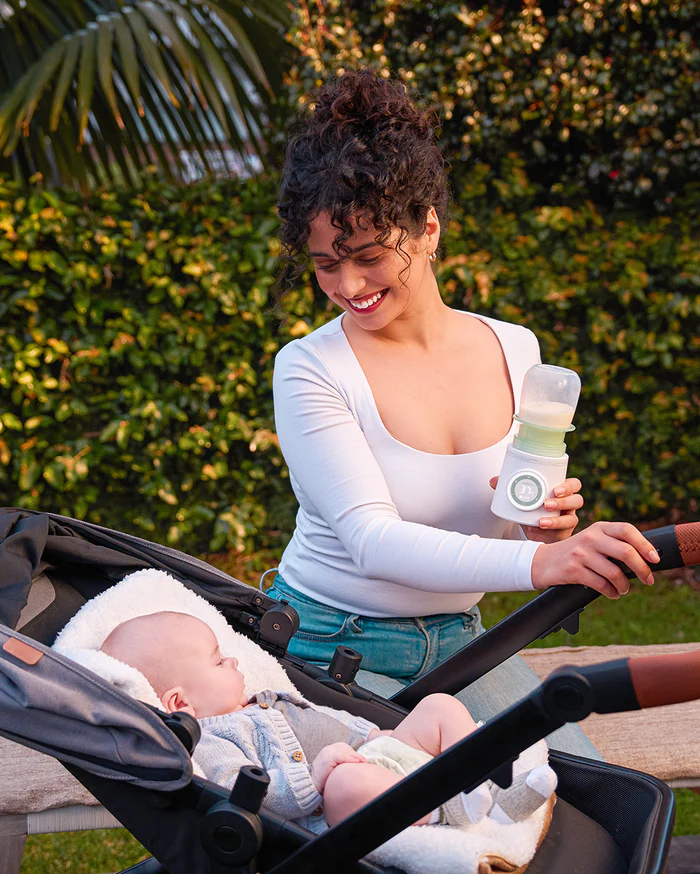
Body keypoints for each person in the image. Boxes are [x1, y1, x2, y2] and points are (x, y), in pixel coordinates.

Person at [268, 69, 660, 758]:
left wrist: (540, 530)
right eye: (326, 264)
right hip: (332, 647)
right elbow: (373, 542)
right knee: (429, 819)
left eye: (366, 256)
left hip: (461, 642)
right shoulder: (310, 368)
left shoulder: (515, 348)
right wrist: (545, 567)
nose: (347, 286)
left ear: (428, 229)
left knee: (580, 786)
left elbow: (499, 531)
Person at [101, 610, 557, 827]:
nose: (235, 664)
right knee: (346, 785)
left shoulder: (265, 697)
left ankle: (484, 777)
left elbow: (327, 714)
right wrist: (316, 777)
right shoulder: (212, 741)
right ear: (181, 703)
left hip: (380, 753)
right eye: (220, 662)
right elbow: (245, 798)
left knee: (438, 705)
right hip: (340, 799)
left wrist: (373, 732)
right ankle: (454, 811)